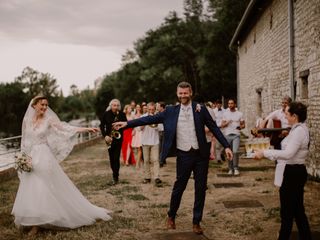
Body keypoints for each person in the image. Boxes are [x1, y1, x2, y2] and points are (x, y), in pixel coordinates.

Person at [113, 82, 233, 235]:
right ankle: (171, 215)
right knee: (179, 187)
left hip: (200, 155)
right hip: (183, 154)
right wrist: (127, 124)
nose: (183, 96)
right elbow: (149, 120)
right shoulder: (170, 111)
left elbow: (214, 127)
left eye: (186, 93)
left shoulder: (200, 108)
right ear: (177, 94)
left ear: (190, 93)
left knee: (200, 189)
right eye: (180, 93)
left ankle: (196, 221)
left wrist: (226, 146)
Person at [12, 96, 111, 236]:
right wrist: (23, 157)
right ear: (34, 105)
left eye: (46, 105)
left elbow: (65, 128)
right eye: (42, 105)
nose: (45, 107)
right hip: (31, 157)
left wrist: (85, 129)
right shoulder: (27, 120)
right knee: (32, 186)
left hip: (44, 157)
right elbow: (25, 140)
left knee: (43, 186)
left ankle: (38, 224)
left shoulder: (49, 120)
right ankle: (33, 217)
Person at [254, 102, 312, 240]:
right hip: (293, 171)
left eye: (287, 114)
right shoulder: (296, 129)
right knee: (298, 211)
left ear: (295, 116)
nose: (285, 117)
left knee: (287, 213)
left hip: (293, 172)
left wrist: (265, 153)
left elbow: (288, 154)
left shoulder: (298, 131)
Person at [100, 99, 127, 184]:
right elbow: (101, 126)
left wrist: (120, 126)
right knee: (112, 158)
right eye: (114, 105)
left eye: (117, 105)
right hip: (109, 139)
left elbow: (126, 125)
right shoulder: (106, 114)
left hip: (118, 139)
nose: (115, 107)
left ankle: (116, 176)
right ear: (111, 106)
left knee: (116, 157)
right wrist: (105, 136)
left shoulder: (122, 114)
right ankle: (114, 174)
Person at [138, 102, 163, 186]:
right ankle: (147, 177)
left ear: (155, 109)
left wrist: (156, 124)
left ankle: (156, 177)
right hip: (145, 141)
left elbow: (161, 128)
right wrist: (145, 123)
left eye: (153, 109)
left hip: (155, 141)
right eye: (149, 109)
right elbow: (139, 129)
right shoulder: (142, 117)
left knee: (155, 160)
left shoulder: (157, 117)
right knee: (146, 160)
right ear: (147, 109)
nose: (151, 111)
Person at [221, 99, 245, 175]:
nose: (230, 105)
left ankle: (236, 168)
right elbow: (222, 125)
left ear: (235, 104)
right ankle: (230, 169)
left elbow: (243, 125)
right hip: (227, 135)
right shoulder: (225, 113)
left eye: (231, 103)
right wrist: (227, 122)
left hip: (236, 135)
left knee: (235, 151)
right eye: (229, 103)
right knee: (229, 152)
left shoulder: (240, 114)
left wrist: (240, 127)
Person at [131, 104, 143, 168]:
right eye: (137, 107)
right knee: (135, 149)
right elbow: (132, 124)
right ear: (136, 108)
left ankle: (137, 164)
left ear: (140, 108)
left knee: (139, 148)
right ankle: (139, 161)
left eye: (139, 107)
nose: (138, 108)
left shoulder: (142, 115)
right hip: (136, 133)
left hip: (141, 132)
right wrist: (133, 130)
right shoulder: (134, 115)